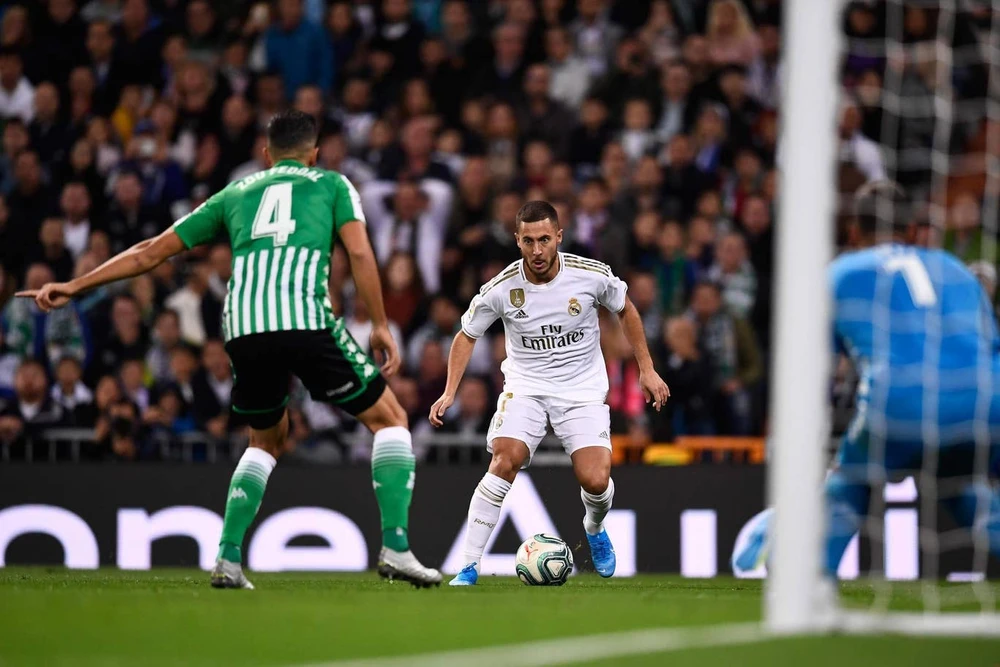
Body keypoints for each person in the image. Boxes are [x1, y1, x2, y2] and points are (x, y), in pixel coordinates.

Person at [17, 110, 441, 589]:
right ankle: (396, 547)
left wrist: (75, 285)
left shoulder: (235, 192)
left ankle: (228, 558)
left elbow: (151, 251)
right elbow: (360, 252)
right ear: (315, 154)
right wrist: (380, 324)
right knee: (391, 418)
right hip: (303, 317)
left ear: (266, 154)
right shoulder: (333, 184)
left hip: (244, 326)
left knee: (266, 441)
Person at [733, 181, 1000, 576]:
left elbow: (809, 371)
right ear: (914, 230)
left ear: (854, 231)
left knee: (850, 486)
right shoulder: (956, 269)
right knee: (960, 485)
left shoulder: (840, 273)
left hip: (901, 402)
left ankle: (807, 582)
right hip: (987, 401)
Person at [429, 200, 670, 586]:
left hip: (581, 389)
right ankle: (469, 567)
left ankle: (594, 528)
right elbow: (466, 335)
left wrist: (646, 368)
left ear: (559, 236)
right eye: (528, 241)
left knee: (595, 480)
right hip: (526, 387)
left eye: (544, 239)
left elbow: (625, 309)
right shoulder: (502, 287)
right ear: (517, 240)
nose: (537, 250)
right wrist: (449, 392)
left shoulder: (589, 275)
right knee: (503, 461)